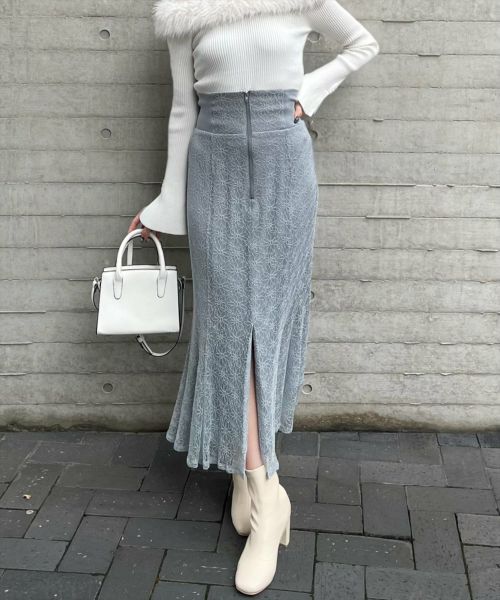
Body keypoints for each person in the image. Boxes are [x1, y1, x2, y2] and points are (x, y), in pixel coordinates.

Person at [128, 0, 379, 594]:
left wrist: (309, 92)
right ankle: (264, 487)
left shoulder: (301, 1)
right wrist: (166, 202)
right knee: (228, 324)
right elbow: (182, 109)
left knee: (267, 321)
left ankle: (257, 490)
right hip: (212, 166)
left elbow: (362, 44)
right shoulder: (185, 12)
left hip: (284, 164)